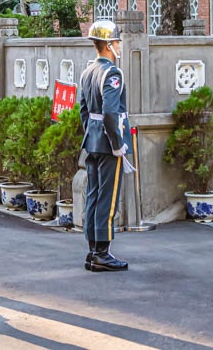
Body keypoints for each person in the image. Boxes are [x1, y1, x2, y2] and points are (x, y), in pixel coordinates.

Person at [78, 19, 131, 273]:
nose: (119, 45)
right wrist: (117, 142)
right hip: (109, 143)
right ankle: (102, 253)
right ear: (109, 44)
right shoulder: (112, 73)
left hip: (93, 140)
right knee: (107, 198)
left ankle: (92, 250)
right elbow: (111, 112)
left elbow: (84, 112)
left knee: (94, 194)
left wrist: (92, 134)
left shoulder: (88, 71)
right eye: (117, 41)